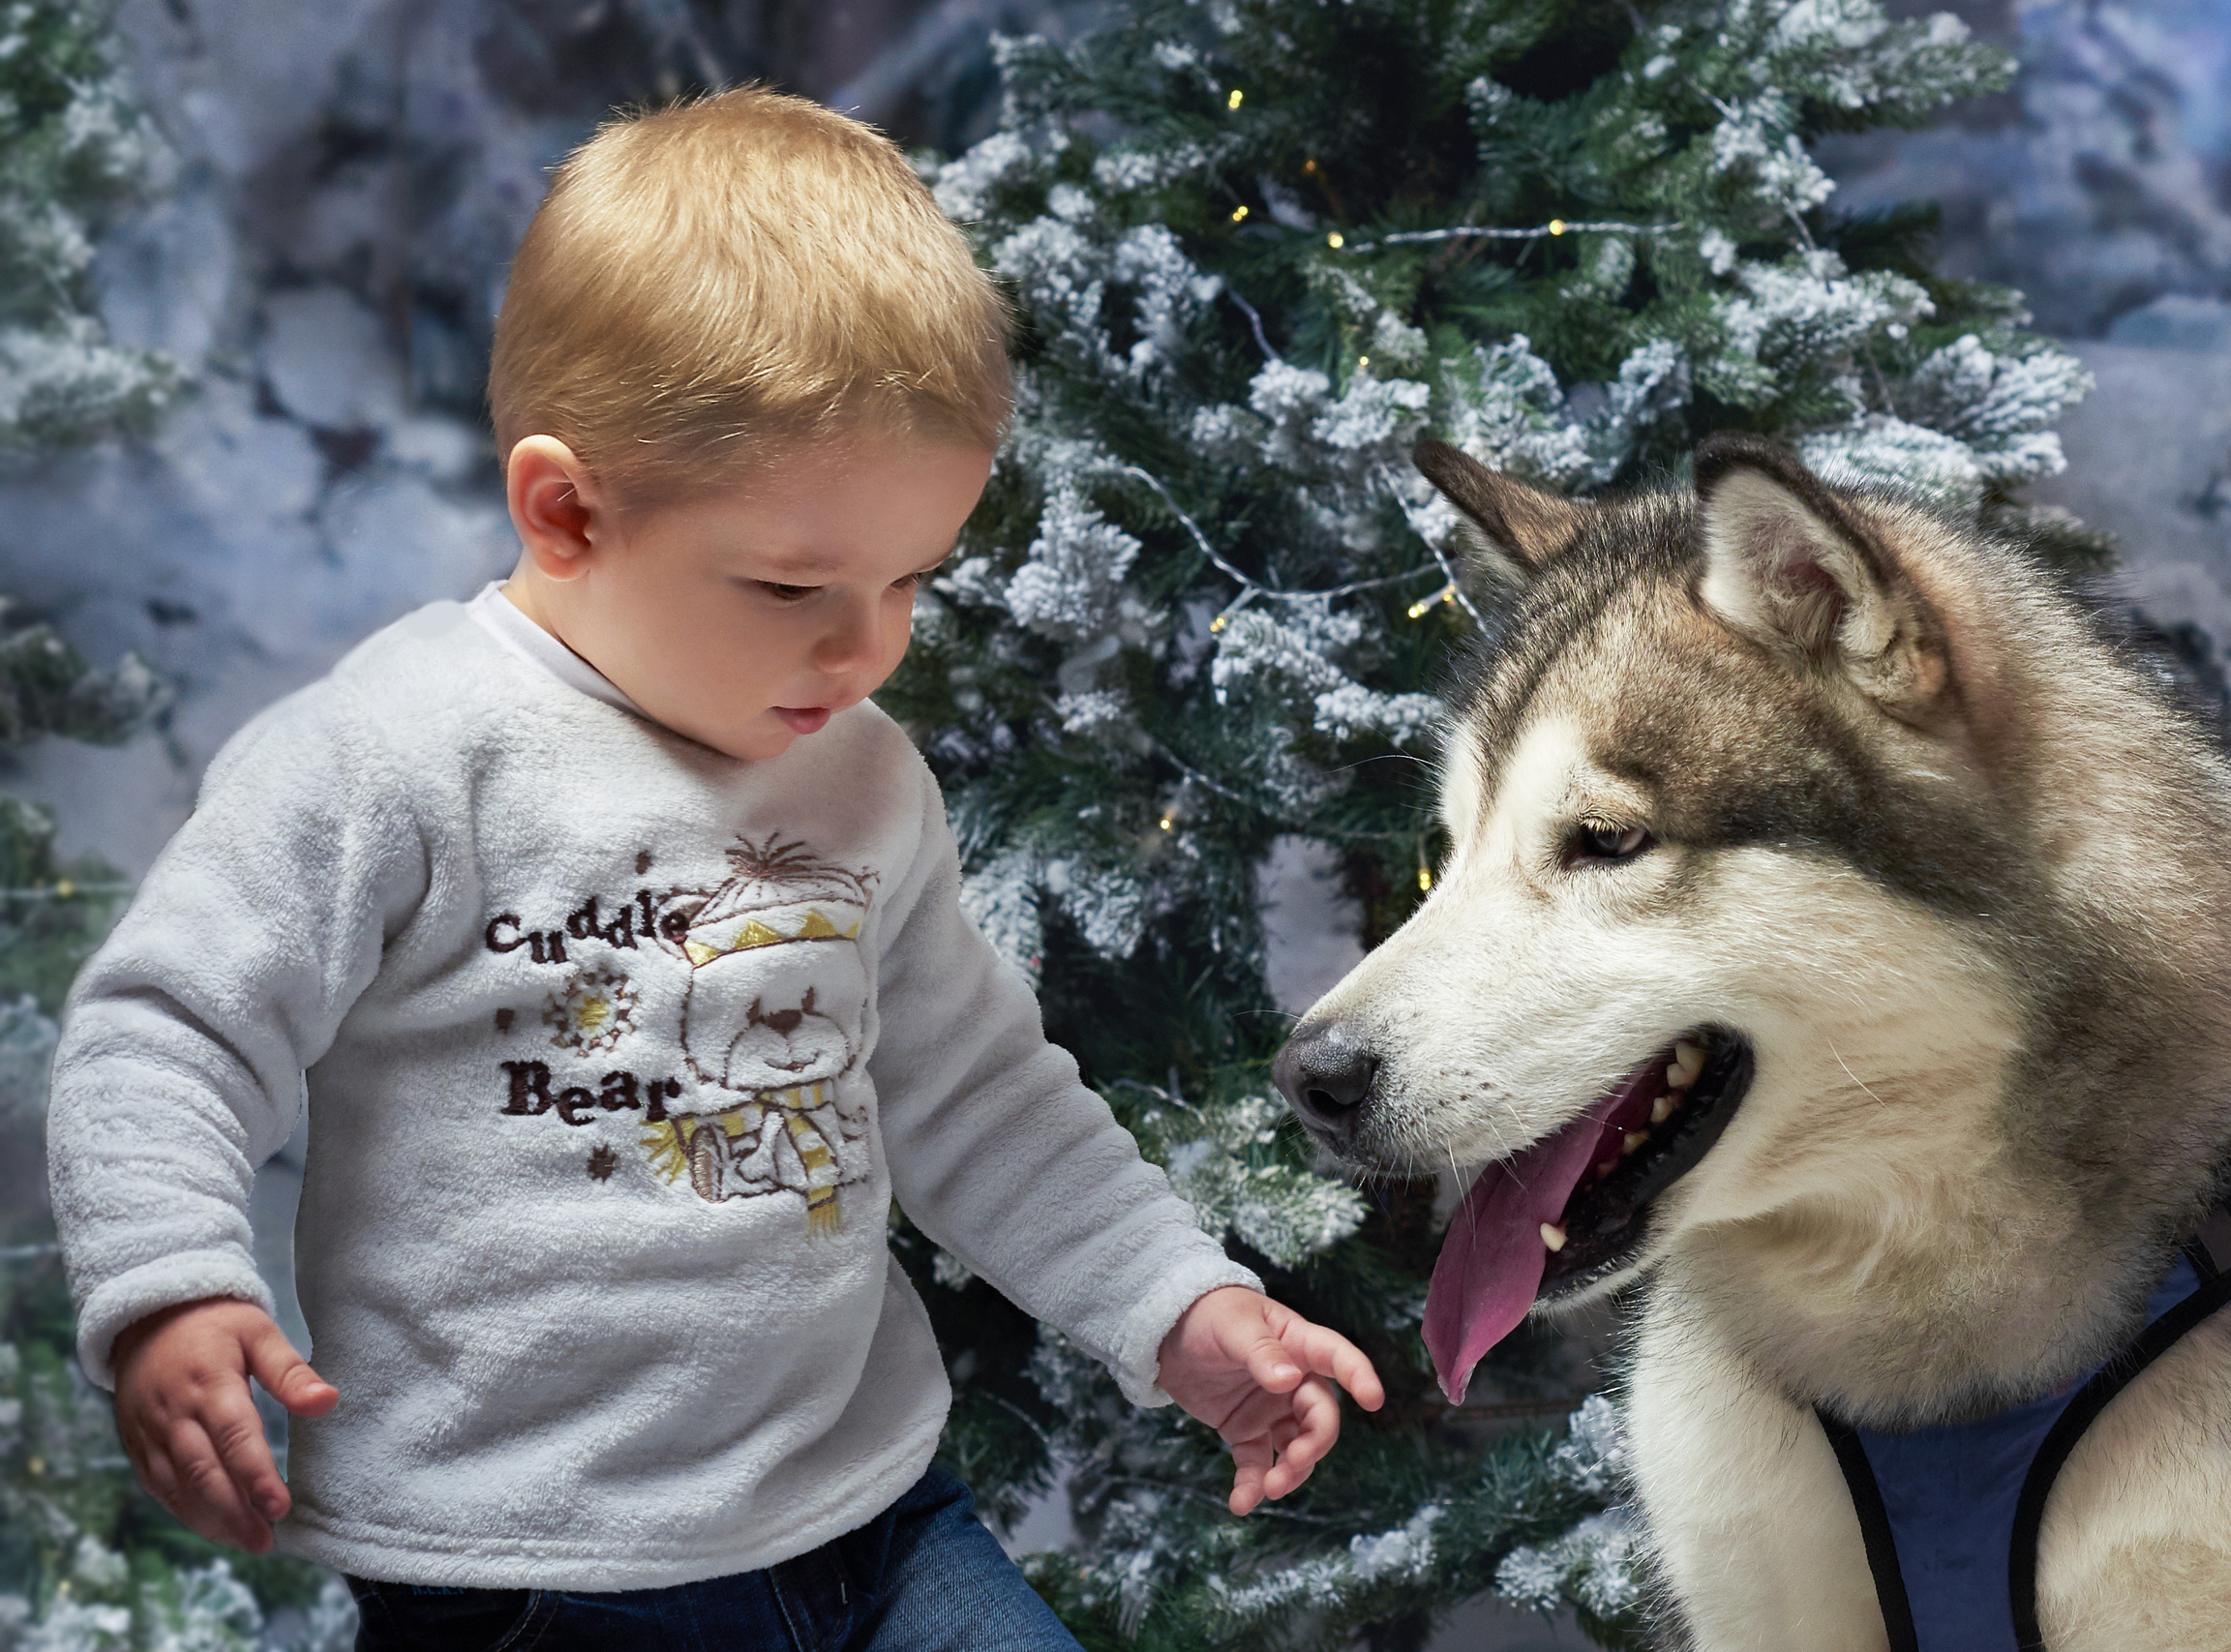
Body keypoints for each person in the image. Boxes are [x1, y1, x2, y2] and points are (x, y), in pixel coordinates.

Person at [45, 87, 1383, 1650]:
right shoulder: (396, 752)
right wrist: (167, 1284)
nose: (863, 642)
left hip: (874, 1514)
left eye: (909, 580)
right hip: (530, 1567)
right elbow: (169, 1029)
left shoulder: (862, 773)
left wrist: (1177, 1303)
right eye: (791, 584)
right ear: (566, 511)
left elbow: (977, 1093)